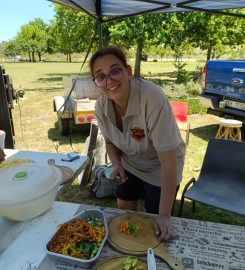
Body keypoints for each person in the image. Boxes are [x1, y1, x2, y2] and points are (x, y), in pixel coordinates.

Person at [89, 45, 186, 241]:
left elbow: (169, 163)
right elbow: (109, 142)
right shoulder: (101, 106)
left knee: (155, 221)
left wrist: (164, 216)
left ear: (128, 72)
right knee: (124, 205)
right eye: (100, 76)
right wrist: (117, 165)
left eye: (115, 71)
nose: (109, 81)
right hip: (131, 163)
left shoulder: (151, 98)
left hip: (161, 167)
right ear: (97, 83)